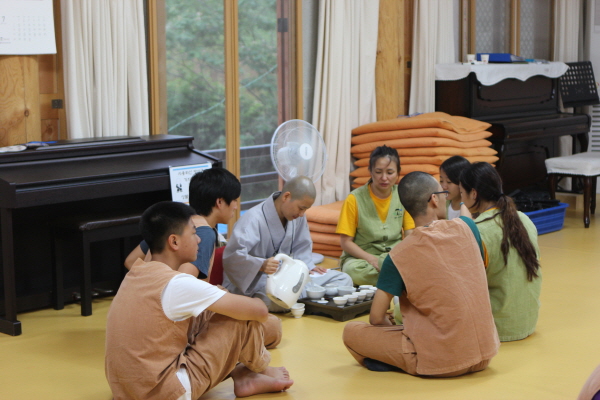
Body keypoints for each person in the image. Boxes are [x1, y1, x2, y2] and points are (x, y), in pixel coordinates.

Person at [105, 201, 293, 400]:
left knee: (220, 304)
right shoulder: (176, 284)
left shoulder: (136, 272)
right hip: (165, 392)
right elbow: (259, 311)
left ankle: (244, 372)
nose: (198, 240)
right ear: (174, 242)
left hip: (126, 392)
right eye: (194, 233)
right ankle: (259, 370)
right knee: (240, 318)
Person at [343, 171, 499, 377]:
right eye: (443, 193)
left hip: (443, 362)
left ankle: (399, 359)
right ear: (434, 199)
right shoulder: (467, 227)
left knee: (352, 332)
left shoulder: (398, 255)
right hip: (485, 353)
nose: (446, 197)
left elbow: (376, 317)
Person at [124, 167, 282, 348]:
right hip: (172, 325)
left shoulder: (173, 224)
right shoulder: (204, 234)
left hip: (147, 313)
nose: (236, 206)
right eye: (234, 200)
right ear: (220, 202)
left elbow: (130, 261)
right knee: (271, 326)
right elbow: (183, 283)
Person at [222, 176, 354, 312]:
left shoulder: (297, 216)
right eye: (301, 208)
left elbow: (302, 246)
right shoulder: (252, 219)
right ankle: (307, 298)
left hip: (287, 277)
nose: (302, 214)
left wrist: (308, 267)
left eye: (305, 209)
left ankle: (301, 299)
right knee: (276, 301)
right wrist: (261, 265)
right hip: (257, 281)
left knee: (344, 279)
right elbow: (233, 257)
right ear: (286, 196)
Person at [459, 162, 542, 342]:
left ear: (474, 193)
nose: (461, 200)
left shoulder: (478, 230)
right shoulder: (524, 219)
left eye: (462, 193)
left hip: (496, 329)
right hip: (528, 321)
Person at [337, 145, 415, 286]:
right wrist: (372, 259)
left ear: (398, 173)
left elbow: (410, 234)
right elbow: (346, 242)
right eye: (378, 172)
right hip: (363, 259)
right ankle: (400, 281)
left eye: (390, 172)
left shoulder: (403, 195)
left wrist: (402, 257)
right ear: (370, 171)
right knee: (352, 271)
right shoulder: (354, 199)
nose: (384, 178)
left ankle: (394, 279)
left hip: (394, 257)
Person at [439, 155, 471, 219]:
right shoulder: (442, 206)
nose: (443, 187)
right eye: (441, 181)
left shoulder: (472, 210)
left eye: (449, 182)